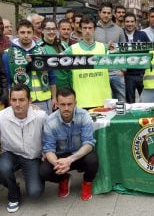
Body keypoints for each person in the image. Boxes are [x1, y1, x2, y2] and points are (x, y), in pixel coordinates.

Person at [40, 87, 98, 201]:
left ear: (75, 103)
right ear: (57, 103)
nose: (66, 108)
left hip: (78, 155)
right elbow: (49, 149)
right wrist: (58, 164)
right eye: (62, 104)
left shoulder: (84, 115)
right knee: (43, 171)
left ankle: (87, 183)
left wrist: (70, 160)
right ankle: (63, 179)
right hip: (60, 158)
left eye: (70, 104)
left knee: (93, 160)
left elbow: (89, 144)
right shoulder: (50, 121)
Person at [0, 83, 46, 213]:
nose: (17, 104)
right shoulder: (1, 117)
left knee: (35, 192)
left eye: (21, 100)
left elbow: (49, 137)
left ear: (30, 100)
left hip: (31, 157)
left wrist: (45, 153)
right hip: (11, 153)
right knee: (2, 167)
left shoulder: (40, 116)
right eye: (14, 100)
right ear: (10, 100)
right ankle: (14, 194)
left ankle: (34, 177)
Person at [3, 19, 57, 114]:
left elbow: (52, 76)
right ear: (17, 33)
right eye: (22, 32)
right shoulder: (8, 54)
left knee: (45, 128)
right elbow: (7, 81)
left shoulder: (43, 51)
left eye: (29, 32)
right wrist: (11, 102)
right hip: (22, 102)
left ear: (33, 33)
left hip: (44, 100)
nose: (26, 35)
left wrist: (54, 98)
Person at [63, 16, 111, 108]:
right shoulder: (72, 49)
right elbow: (52, 60)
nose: (87, 31)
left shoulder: (104, 48)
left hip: (103, 99)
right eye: (85, 28)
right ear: (80, 29)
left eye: (90, 28)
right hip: (81, 101)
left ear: (95, 29)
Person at [95, 2, 126, 101]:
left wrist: (123, 70)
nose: (106, 15)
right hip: (99, 71)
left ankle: (122, 117)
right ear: (99, 13)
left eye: (108, 13)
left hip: (116, 72)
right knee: (101, 100)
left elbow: (124, 51)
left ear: (112, 13)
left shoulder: (119, 30)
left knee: (121, 100)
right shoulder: (93, 29)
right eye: (104, 12)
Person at [123, 12, 150, 103]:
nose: (129, 24)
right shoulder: (121, 34)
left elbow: (149, 51)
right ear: (124, 23)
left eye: (132, 21)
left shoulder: (142, 35)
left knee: (145, 101)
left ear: (135, 23)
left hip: (141, 73)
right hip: (128, 75)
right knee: (130, 102)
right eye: (127, 21)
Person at [38, 18, 71, 90]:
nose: (51, 31)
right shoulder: (37, 46)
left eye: (54, 29)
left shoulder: (64, 45)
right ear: (42, 30)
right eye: (48, 29)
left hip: (66, 87)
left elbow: (71, 68)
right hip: (48, 89)